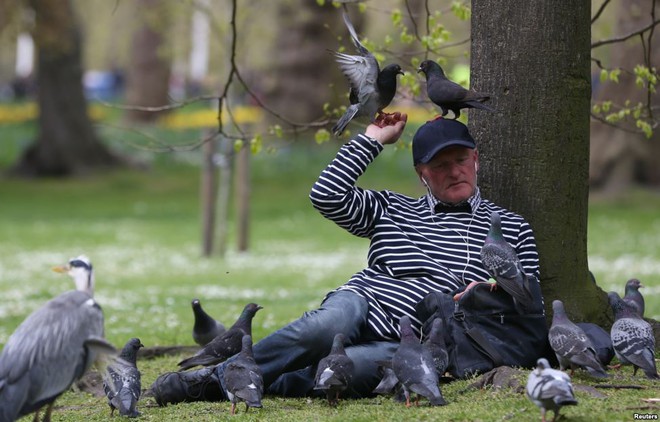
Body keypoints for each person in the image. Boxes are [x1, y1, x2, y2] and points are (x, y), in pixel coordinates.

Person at [150, 113, 541, 404]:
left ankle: (227, 386)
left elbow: (528, 301)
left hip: (416, 338)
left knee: (335, 373)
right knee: (321, 329)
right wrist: (372, 137)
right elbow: (327, 195)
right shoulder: (392, 207)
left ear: (475, 159)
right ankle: (208, 380)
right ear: (423, 173)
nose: (455, 172)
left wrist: (486, 294)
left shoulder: (509, 225)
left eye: (461, 161)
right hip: (364, 303)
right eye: (441, 166)